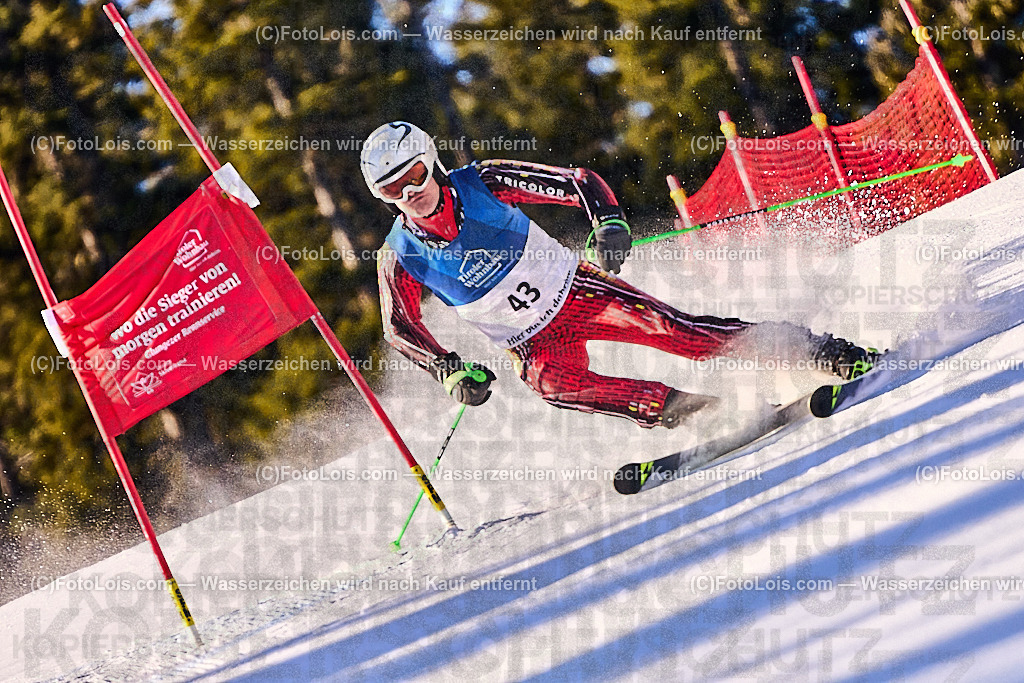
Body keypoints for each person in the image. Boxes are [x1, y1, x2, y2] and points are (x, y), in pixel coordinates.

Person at [362, 121, 876, 429]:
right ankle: (699, 414)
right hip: (530, 341)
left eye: (414, 176)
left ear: (432, 163)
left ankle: (820, 352)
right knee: (552, 386)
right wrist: (449, 369)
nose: (410, 193)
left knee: (681, 335)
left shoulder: (484, 182)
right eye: (392, 190)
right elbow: (399, 328)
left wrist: (606, 222)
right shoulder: (400, 255)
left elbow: (577, 182)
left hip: (578, 293)